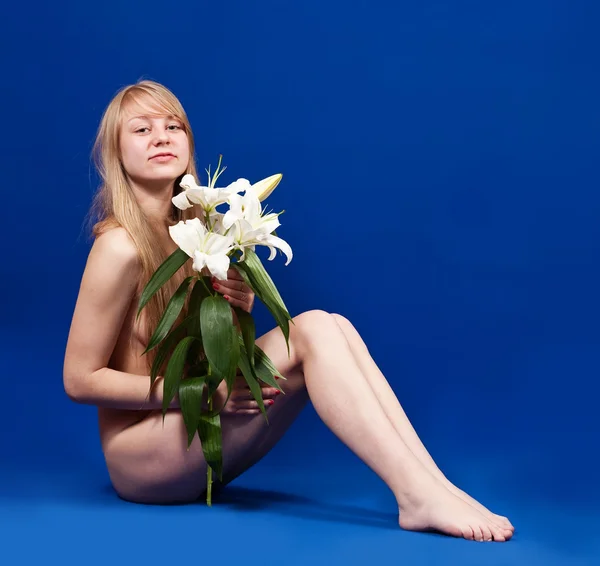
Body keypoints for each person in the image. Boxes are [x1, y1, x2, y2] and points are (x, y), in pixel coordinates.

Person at [63, 79, 514, 542]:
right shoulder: (119, 246)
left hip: (190, 433)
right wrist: (206, 395)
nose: (161, 136)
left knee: (328, 325)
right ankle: (418, 495)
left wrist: (238, 309)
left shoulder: (200, 231)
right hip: (142, 457)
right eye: (142, 129)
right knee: (311, 331)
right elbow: (79, 380)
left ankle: (431, 485)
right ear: (116, 153)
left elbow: (215, 364)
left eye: (173, 125)